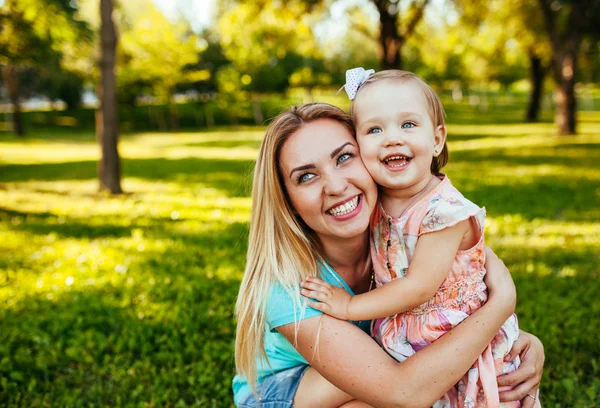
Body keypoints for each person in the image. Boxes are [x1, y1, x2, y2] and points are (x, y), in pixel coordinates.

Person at [233, 102, 544, 408]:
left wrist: (510, 344)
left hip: (384, 361)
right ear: (287, 201)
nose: (337, 186)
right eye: (306, 176)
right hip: (286, 389)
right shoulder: (289, 288)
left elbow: (456, 302)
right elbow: (405, 392)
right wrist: (501, 304)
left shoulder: (405, 234)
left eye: (344, 157)